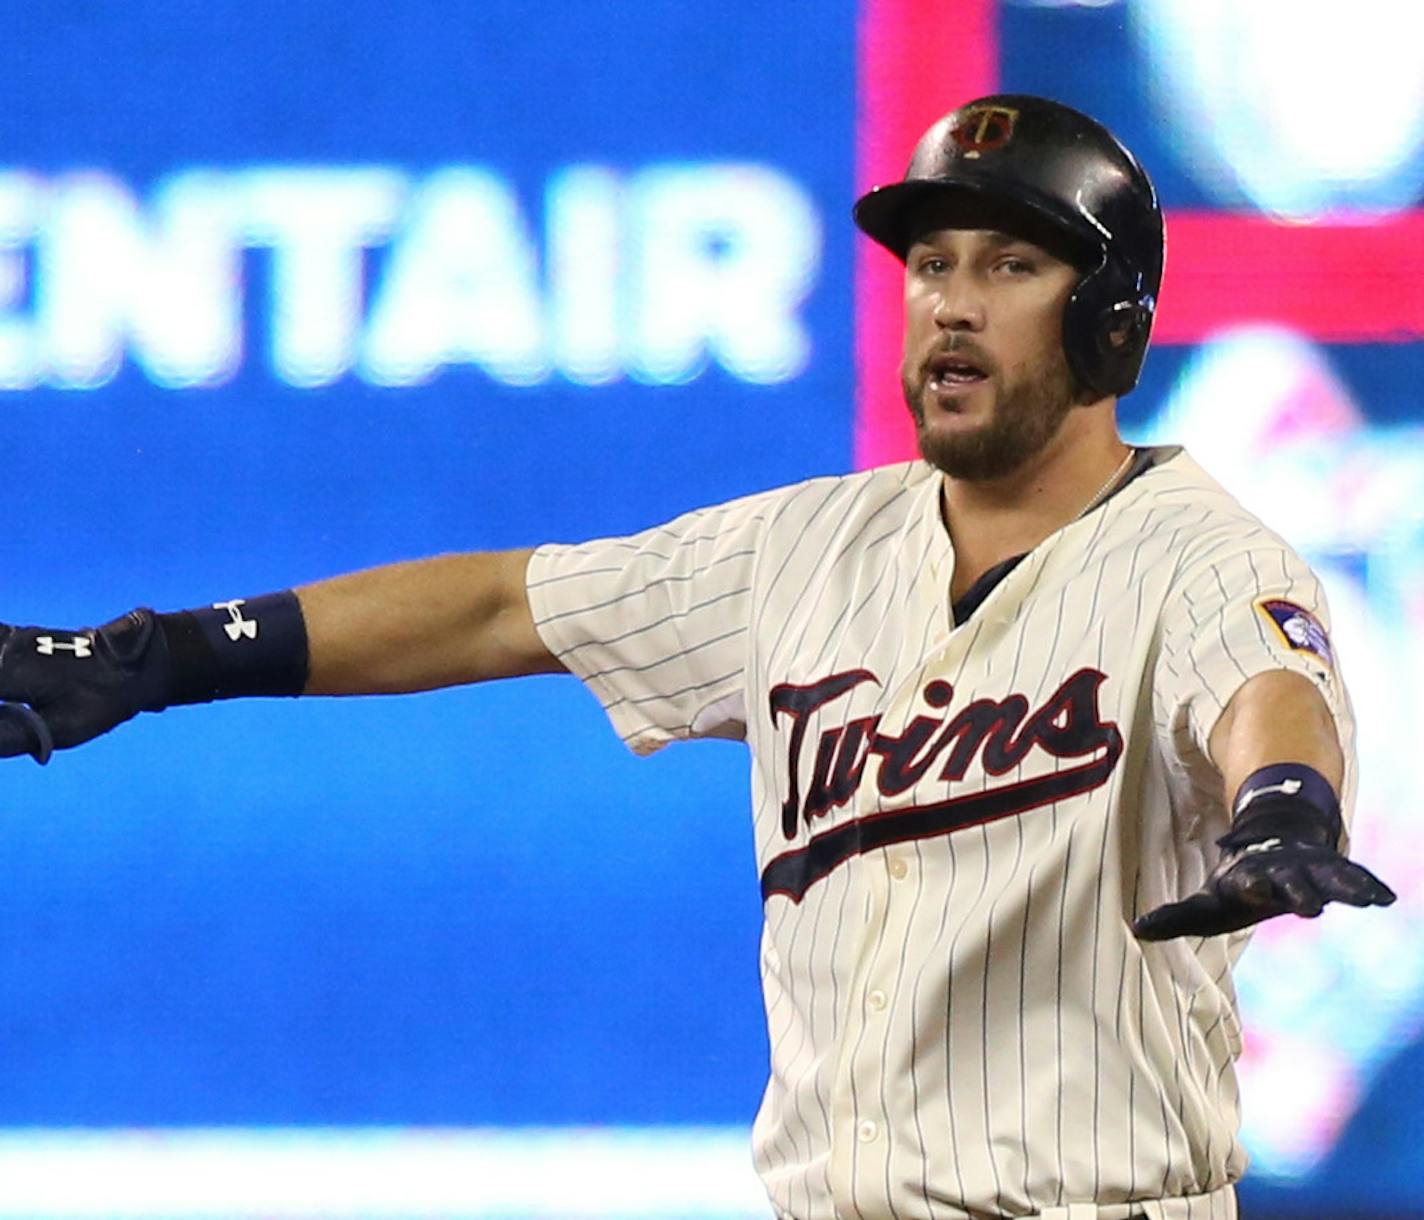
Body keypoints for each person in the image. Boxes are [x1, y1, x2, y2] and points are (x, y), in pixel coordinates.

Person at [0, 95, 1395, 1220]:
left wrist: (1284, 801)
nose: (952, 305)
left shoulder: (1200, 550)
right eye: (930, 265)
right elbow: (505, 606)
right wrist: (167, 655)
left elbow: (1267, 690)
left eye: (1010, 266)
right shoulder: (803, 552)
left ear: (1113, 321)